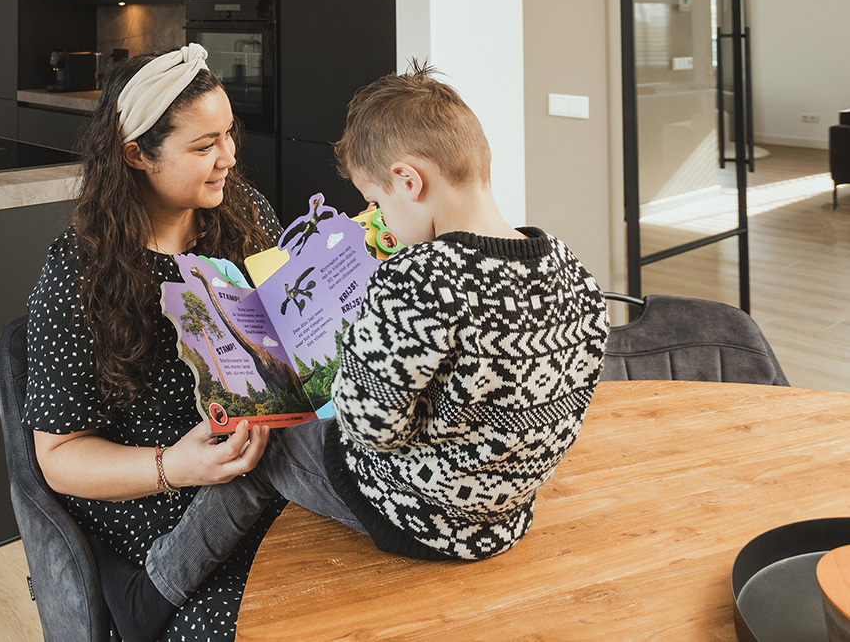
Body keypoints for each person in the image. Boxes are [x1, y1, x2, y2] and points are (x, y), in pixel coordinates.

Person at [92, 62, 613, 642]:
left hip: (422, 517)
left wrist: (343, 356)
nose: (381, 221)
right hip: (506, 514)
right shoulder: (573, 271)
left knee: (263, 438)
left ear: (408, 181)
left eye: (377, 202)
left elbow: (369, 429)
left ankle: (150, 595)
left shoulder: (418, 278)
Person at [23, 44, 283, 641]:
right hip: (160, 515)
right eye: (203, 146)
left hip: (261, 479)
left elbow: (288, 346)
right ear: (135, 154)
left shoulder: (245, 216)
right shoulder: (79, 276)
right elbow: (58, 457)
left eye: (228, 135)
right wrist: (177, 467)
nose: (228, 159)